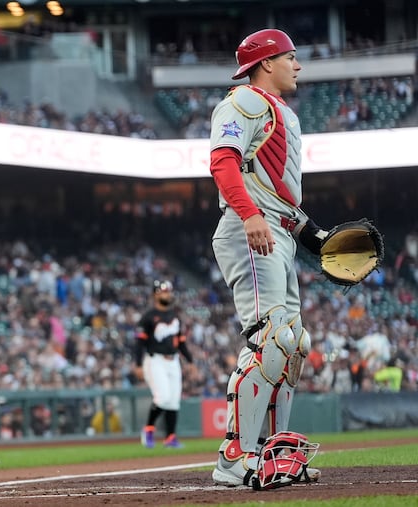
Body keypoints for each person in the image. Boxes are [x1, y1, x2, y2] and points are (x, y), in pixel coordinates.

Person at [207, 29, 323, 487]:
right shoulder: (244, 101)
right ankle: (236, 458)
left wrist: (316, 237)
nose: (298, 66)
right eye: (291, 57)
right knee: (271, 338)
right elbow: (222, 162)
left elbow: (277, 193)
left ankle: (274, 456)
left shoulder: (279, 112)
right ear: (267, 62)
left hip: (276, 230)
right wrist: (250, 214)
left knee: (294, 343)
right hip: (250, 230)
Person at [134, 279, 192, 449]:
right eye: (163, 291)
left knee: (174, 401)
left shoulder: (175, 316)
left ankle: (170, 437)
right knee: (163, 397)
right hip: (155, 360)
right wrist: (137, 364)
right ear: (155, 294)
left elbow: (181, 342)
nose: (167, 294)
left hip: (173, 361)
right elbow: (139, 343)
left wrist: (190, 361)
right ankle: (148, 429)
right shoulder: (148, 316)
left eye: (169, 291)